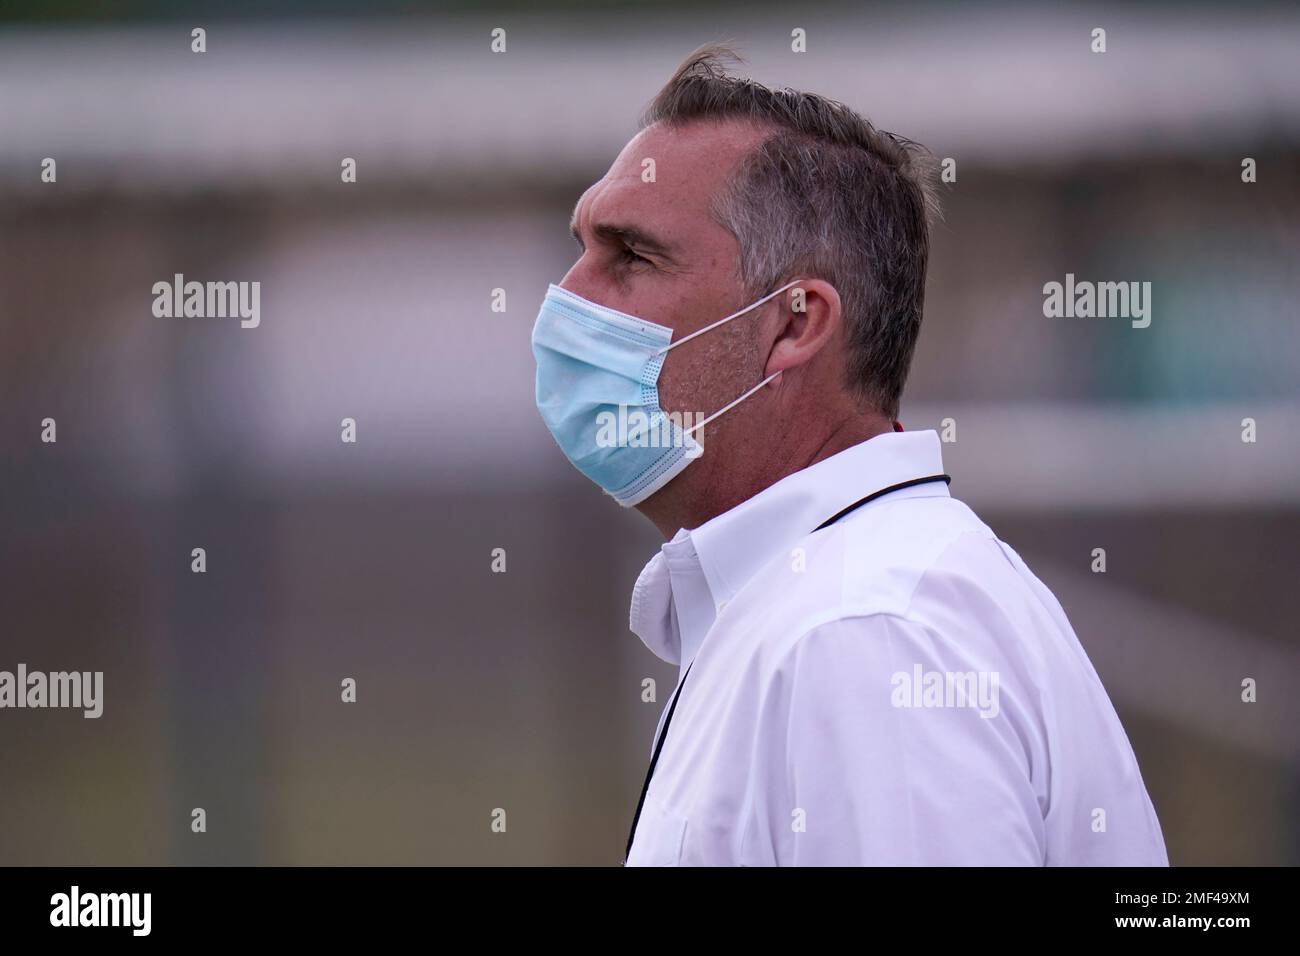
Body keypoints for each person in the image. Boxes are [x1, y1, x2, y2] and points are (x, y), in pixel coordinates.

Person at [531, 44, 1168, 866]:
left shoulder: (860, 633)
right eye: (582, 248)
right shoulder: (811, 608)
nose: (568, 296)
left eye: (632, 256)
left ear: (795, 324)